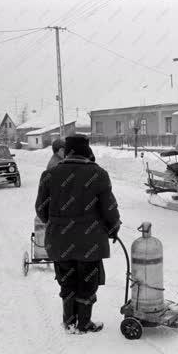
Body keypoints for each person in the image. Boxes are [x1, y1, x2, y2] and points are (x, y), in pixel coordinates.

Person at [35, 135, 121, 333]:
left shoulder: (49, 175)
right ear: (86, 151)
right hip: (89, 242)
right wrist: (113, 227)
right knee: (87, 282)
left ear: (67, 151)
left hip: (59, 240)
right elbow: (110, 209)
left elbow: (41, 210)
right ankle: (83, 323)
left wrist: (57, 224)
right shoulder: (98, 174)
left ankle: (69, 322)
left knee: (67, 281)